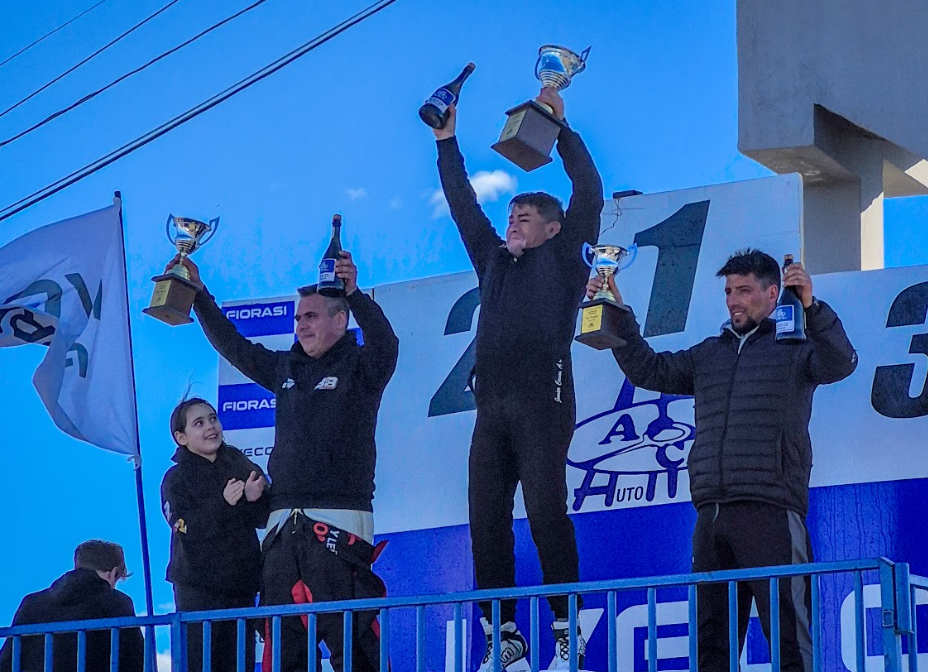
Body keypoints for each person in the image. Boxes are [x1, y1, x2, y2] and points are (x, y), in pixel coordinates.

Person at [586, 248, 858, 671]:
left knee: (789, 638)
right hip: (711, 515)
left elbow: (841, 361)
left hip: (771, 511)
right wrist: (615, 308)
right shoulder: (708, 354)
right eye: (729, 291)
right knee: (712, 647)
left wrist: (812, 305)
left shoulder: (796, 347)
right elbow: (648, 370)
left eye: (744, 290)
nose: (734, 300)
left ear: (773, 294)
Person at [430, 87, 604, 671]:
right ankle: (503, 634)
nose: (512, 225)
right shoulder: (492, 261)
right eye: (510, 217)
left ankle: (568, 625)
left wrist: (562, 128)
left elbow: (589, 191)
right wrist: (446, 141)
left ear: (553, 230)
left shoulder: (566, 257)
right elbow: (463, 205)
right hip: (492, 411)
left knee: (545, 509)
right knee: (485, 521)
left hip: (543, 403)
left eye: (524, 218)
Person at [168, 250, 398, 672]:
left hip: (339, 524)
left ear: (340, 320)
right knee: (284, 650)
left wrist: (355, 294)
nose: (301, 325)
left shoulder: (361, 367)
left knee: (354, 645)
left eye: (311, 316)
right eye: (297, 318)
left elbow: (387, 344)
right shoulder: (285, 369)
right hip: (280, 532)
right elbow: (234, 346)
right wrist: (199, 295)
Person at [161, 396, 269, 671]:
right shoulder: (176, 478)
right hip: (198, 591)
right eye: (199, 423)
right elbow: (183, 526)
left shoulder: (239, 463)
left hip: (241, 589)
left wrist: (256, 498)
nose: (210, 427)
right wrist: (222, 503)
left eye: (213, 419)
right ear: (181, 437)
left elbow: (263, 518)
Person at [0, 540, 144, 672]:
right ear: (114, 573)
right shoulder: (117, 603)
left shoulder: (31, 603)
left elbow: (7, 662)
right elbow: (137, 661)